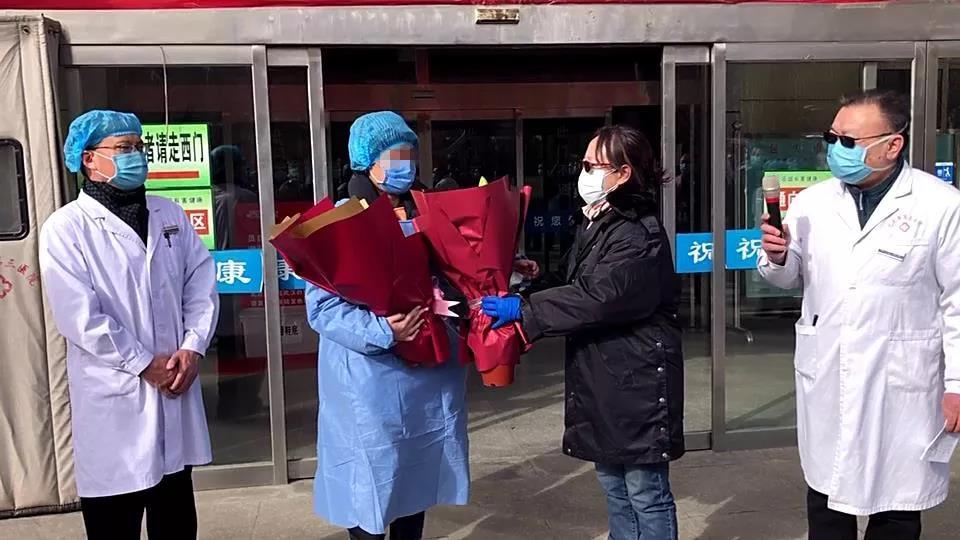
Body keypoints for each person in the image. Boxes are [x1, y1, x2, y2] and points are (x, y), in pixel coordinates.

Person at [757, 90, 960, 540]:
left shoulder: (941, 206)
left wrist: (957, 385)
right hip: (829, 372)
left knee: (897, 505)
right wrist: (776, 256)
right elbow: (787, 276)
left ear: (893, 144)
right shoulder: (812, 202)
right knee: (827, 501)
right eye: (831, 138)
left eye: (849, 141)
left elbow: (957, 301)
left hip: (902, 382)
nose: (836, 149)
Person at [482, 125, 684, 540]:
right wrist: (534, 282)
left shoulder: (637, 232)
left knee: (645, 491)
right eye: (584, 164)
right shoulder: (599, 221)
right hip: (605, 376)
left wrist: (526, 310)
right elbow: (578, 282)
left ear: (623, 174)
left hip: (638, 380)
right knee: (613, 484)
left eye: (593, 165)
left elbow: (599, 298)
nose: (584, 173)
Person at [38, 110, 219, 539]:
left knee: (176, 521)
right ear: (88, 159)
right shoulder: (66, 228)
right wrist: (144, 364)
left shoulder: (168, 214)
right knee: (114, 525)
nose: (136, 156)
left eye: (139, 147)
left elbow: (201, 282)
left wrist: (192, 347)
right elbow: (79, 316)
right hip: (115, 400)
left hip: (174, 383)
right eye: (123, 148)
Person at [305, 111, 469, 540]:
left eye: (409, 154)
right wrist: (383, 331)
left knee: (415, 487)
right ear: (367, 161)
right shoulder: (342, 220)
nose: (405, 165)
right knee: (370, 490)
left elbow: (457, 273)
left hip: (427, 377)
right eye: (394, 156)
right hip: (369, 383)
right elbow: (322, 308)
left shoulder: (429, 211)